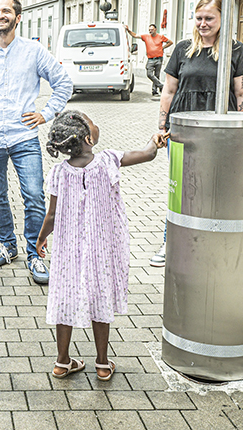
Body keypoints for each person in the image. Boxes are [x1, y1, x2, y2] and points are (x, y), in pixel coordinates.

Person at [37, 111, 167, 380]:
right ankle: (103, 364)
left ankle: (62, 362)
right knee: (100, 298)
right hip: (101, 248)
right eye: (93, 124)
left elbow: (51, 215)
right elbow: (147, 154)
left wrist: (40, 239)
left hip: (68, 251)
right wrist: (154, 141)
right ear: (88, 138)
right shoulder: (108, 160)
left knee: (65, 298)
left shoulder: (59, 172)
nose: (97, 126)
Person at [0, 0, 73, 284]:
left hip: (24, 137)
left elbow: (63, 83)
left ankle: (35, 254)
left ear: (17, 17)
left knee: (35, 196)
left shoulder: (33, 51)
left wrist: (46, 113)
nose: (0, 15)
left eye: (6, 11)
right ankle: (8, 246)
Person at [149, 0, 243, 266]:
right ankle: (170, 242)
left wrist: (241, 130)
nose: (203, 23)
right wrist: (162, 126)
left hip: (221, 129)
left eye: (209, 18)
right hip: (183, 129)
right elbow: (169, 91)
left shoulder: (234, 49)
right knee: (181, 189)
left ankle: (214, 245)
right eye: (199, 18)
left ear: (222, 19)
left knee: (218, 187)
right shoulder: (183, 48)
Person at [125, 23, 174, 95]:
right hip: (150, 59)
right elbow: (135, 35)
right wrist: (128, 30)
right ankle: (161, 86)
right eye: (149, 30)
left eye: (152, 30)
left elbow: (170, 42)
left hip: (159, 59)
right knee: (149, 74)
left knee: (157, 75)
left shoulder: (160, 37)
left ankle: (154, 91)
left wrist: (163, 47)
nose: (150, 31)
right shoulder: (146, 37)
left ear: (155, 29)